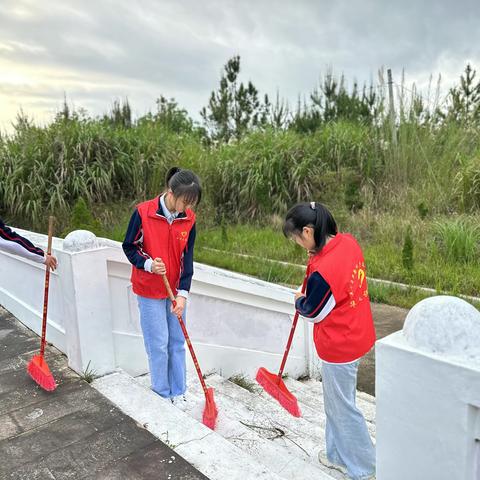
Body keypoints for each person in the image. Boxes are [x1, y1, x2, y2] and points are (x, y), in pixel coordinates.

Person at [283, 201, 376, 480]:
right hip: (358, 332)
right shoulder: (346, 242)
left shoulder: (325, 269)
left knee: (343, 407)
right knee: (336, 402)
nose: (298, 243)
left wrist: (300, 301)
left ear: (308, 231)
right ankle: (337, 456)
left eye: (297, 238)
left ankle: (365, 468)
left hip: (340, 344)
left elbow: (315, 311)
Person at [122, 167, 201, 403]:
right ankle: (162, 394)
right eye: (184, 201)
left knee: (177, 342)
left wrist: (183, 294)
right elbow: (129, 246)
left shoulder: (189, 219)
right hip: (149, 289)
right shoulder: (143, 212)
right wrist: (148, 265)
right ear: (170, 191)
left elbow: (187, 258)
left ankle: (179, 391)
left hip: (175, 291)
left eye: (192, 203)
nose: (187, 207)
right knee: (158, 344)